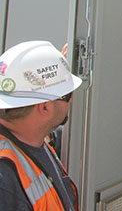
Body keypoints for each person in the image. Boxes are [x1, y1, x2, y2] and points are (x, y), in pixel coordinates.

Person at [0, 41, 82, 211]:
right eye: (66, 95)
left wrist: (59, 72)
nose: (71, 100)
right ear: (44, 107)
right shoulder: (4, 182)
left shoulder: (31, 135)